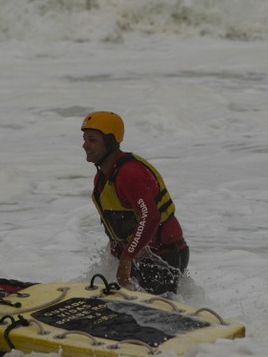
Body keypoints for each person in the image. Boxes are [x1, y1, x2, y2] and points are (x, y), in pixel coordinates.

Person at [81, 111, 189, 294]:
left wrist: (126, 258)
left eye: (92, 140)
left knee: (155, 316)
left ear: (109, 141)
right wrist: (118, 258)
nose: (85, 145)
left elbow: (151, 216)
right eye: (84, 139)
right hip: (138, 258)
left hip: (164, 257)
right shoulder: (102, 179)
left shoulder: (130, 174)